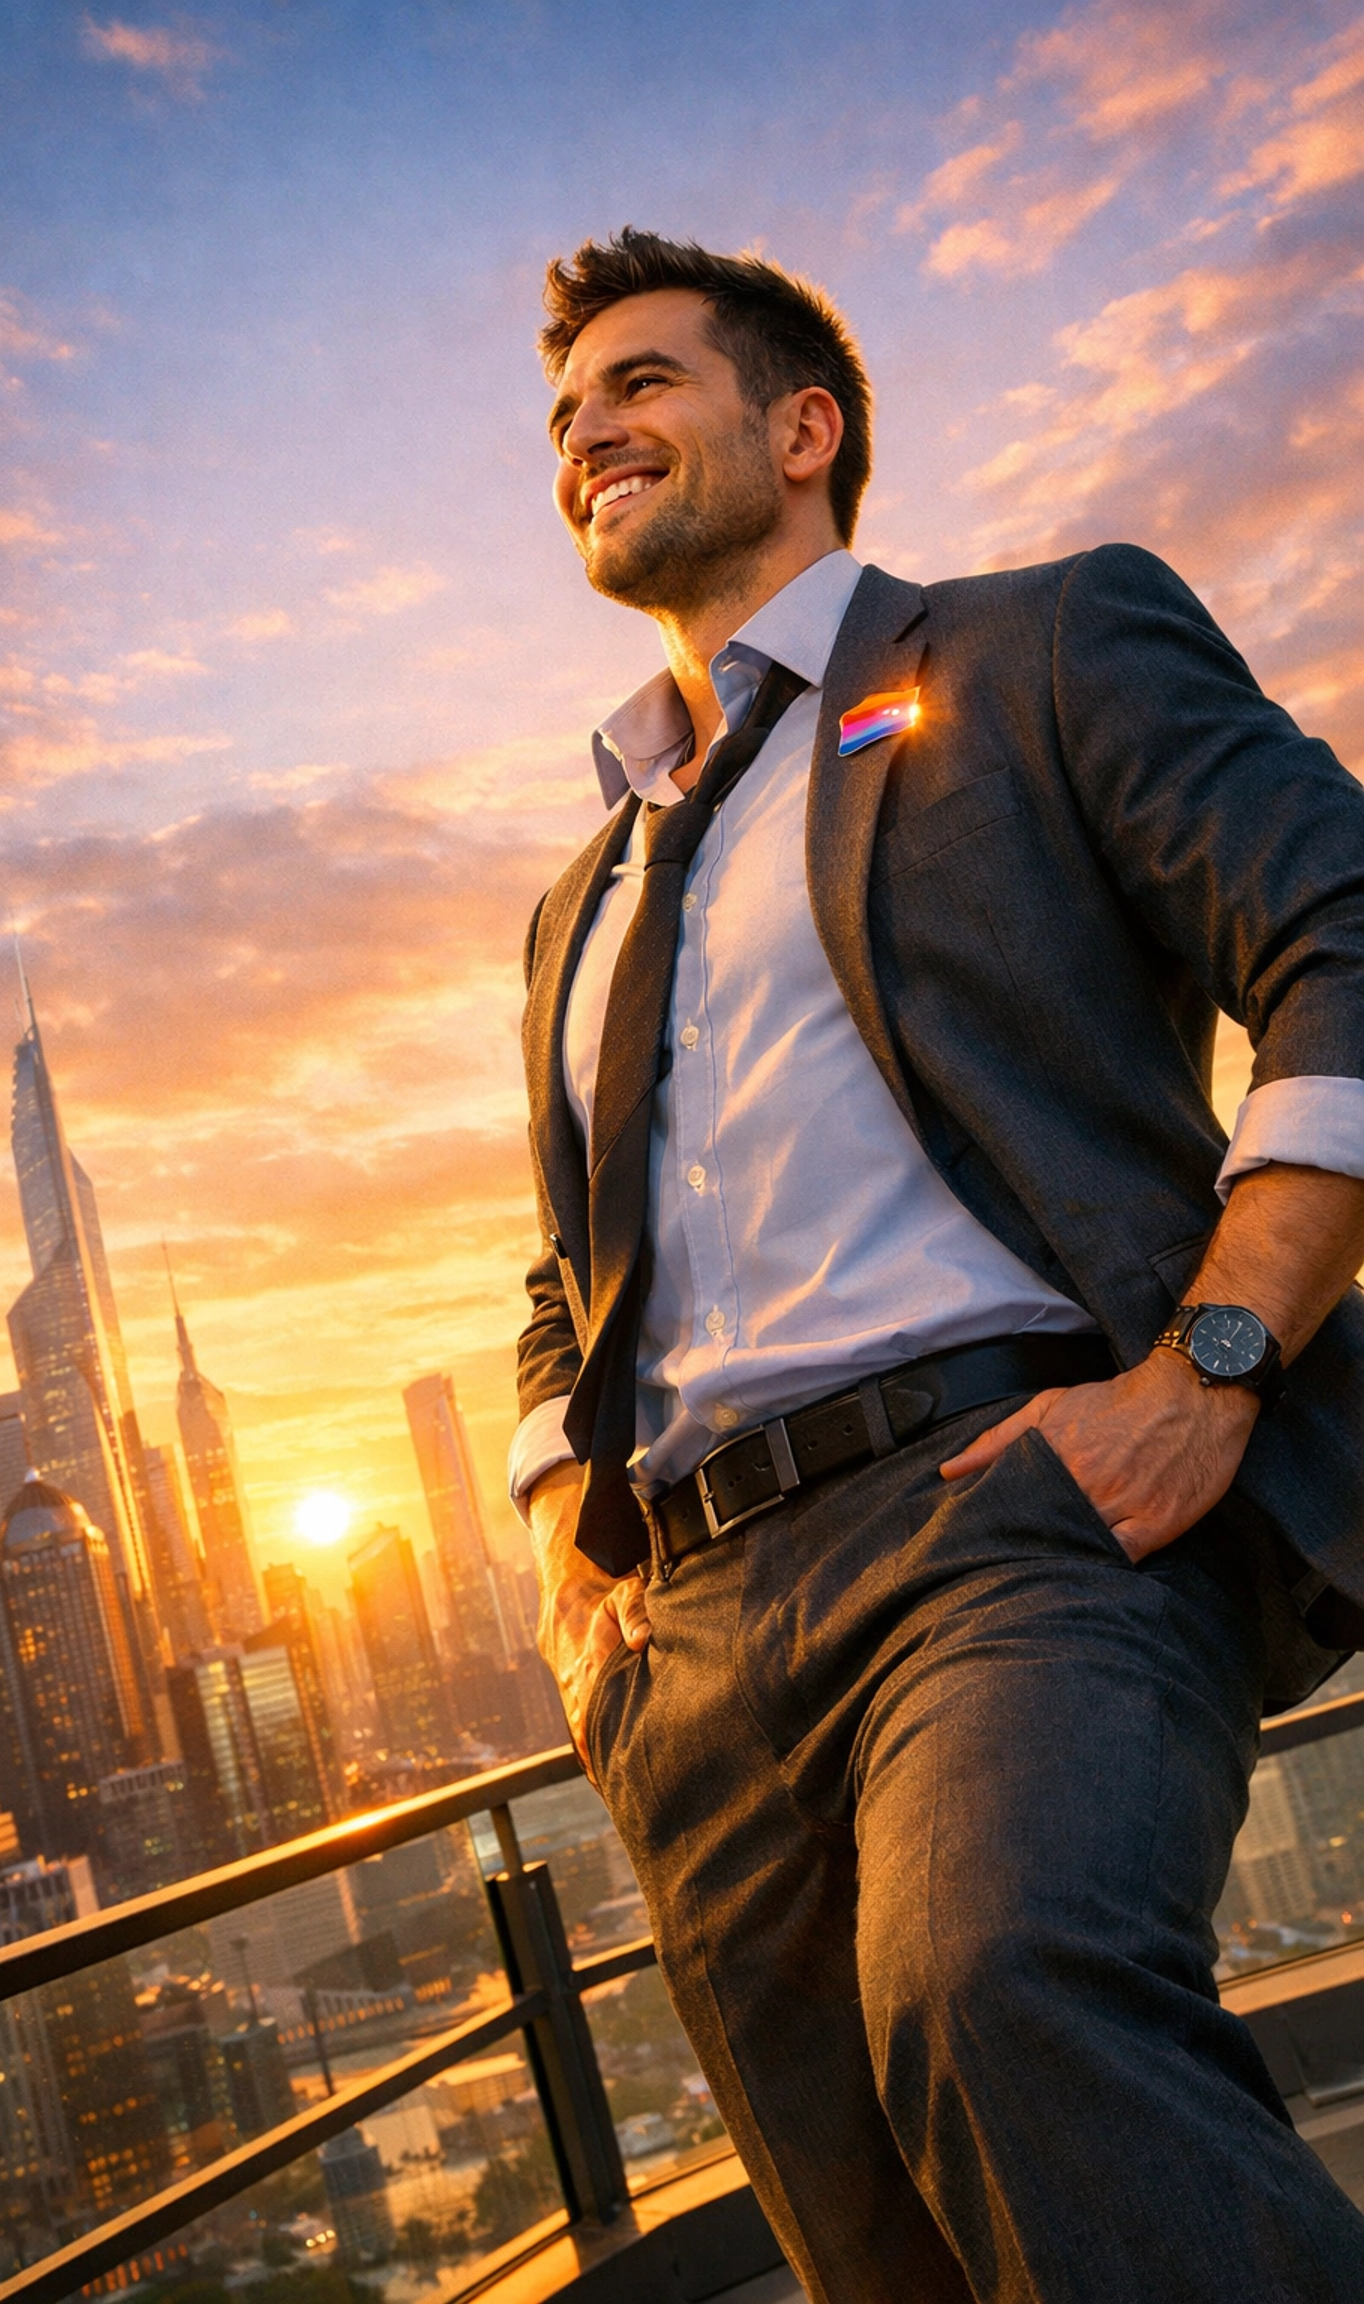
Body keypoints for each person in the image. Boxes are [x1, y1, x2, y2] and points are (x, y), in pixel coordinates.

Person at [509, 228, 1364, 2302]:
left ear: (802, 431)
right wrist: (567, 1545)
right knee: (879, 2242)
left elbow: (1342, 938)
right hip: (687, 1641)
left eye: (639, 384)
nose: (584, 433)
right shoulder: (580, 895)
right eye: (562, 415)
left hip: (1008, 1519)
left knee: (999, 1985)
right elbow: (566, 1279)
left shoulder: (1040, 648)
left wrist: (1217, 1357)